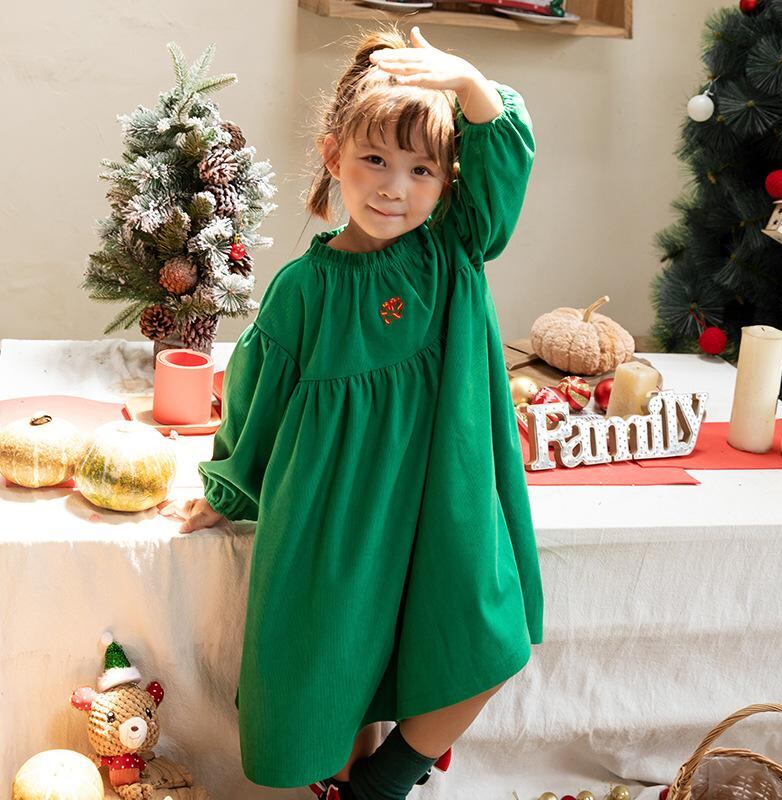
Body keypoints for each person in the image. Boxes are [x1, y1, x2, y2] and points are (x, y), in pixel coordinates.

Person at [160, 22, 544, 800]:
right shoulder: (304, 289)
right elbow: (257, 397)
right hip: (337, 517)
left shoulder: (452, 249)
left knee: (488, 641)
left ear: (447, 180)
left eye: (421, 169)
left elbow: (503, 166)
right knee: (337, 678)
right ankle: (342, 786)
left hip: (444, 500)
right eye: (375, 160)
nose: (394, 186)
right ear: (334, 156)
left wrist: (471, 86)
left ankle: (386, 781)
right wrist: (227, 488)